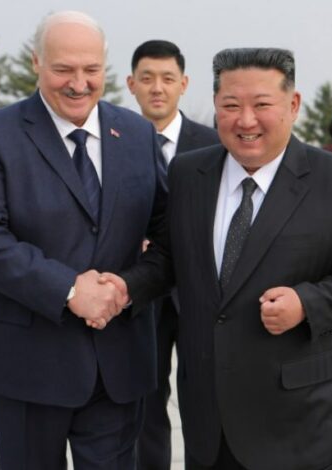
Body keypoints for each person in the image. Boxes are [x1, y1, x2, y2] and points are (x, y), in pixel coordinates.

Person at [107, 48, 332, 470]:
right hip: (210, 418)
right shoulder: (189, 173)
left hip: (301, 420)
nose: (246, 121)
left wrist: (307, 303)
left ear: (293, 104)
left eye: (262, 105)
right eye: (231, 105)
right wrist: (125, 287)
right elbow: (171, 255)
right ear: (215, 105)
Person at [0, 11, 167, 470]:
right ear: (36, 62)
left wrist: (126, 287)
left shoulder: (136, 135)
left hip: (118, 362)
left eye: (91, 69)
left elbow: (170, 237)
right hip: (26, 365)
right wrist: (70, 290)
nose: (79, 84)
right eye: (63, 69)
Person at [126, 39, 219, 470]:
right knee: (146, 401)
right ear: (131, 84)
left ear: (184, 84)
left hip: (202, 294)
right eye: (147, 79)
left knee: (207, 399)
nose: (157, 88)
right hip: (141, 294)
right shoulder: (116, 141)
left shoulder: (214, 144)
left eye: (167, 78)